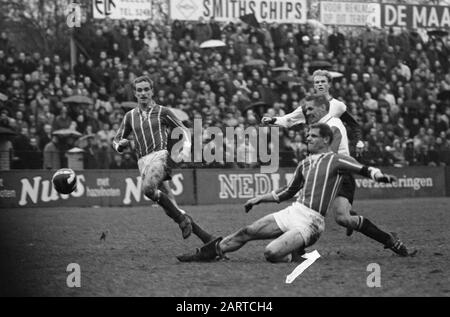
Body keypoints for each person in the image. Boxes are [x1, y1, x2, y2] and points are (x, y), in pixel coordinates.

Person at [177, 124, 415, 263]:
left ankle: (297, 253)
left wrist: (378, 175)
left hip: (312, 222)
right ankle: (208, 253)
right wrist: (259, 198)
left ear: (325, 139)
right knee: (247, 231)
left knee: (270, 253)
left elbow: (362, 169)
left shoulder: (336, 160)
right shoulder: (305, 164)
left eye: (312, 136)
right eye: (308, 135)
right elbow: (287, 192)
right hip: (294, 211)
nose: (307, 138)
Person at [262, 70, 365, 237]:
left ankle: (299, 240)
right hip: (322, 158)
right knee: (329, 209)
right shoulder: (309, 107)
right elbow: (290, 119)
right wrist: (273, 120)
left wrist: (359, 141)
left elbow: (354, 125)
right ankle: (346, 217)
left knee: (316, 202)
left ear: (329, 84)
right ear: (313, 85)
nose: (320, 84)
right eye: (317, 82)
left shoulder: (337, 106)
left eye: (323, 81)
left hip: (338, 159)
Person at [112, 75, 214, 243]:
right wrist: (120, 146)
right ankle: (207, 238)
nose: (143, 93)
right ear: (135, 94)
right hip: (143, 163)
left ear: (152, 92)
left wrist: (187, 148)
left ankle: (183, 221)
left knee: (147, 190)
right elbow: (116, 140)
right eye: (139, 90)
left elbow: (184, 130)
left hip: (160, 157)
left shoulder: (162, 112)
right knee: (171, 209)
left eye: (146, 89)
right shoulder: (130, 116)